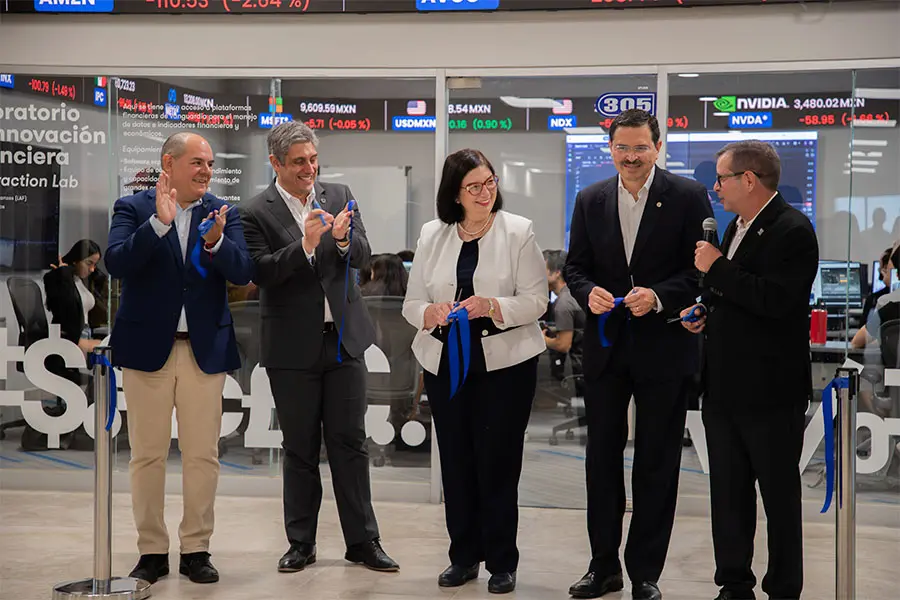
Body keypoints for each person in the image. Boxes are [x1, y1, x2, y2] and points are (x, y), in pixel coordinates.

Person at [563, 109, 714, 600]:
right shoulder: (590, 198)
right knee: (601, 460)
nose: (631, 157)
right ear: (610, 149)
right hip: (606, 348)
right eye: (622, 148)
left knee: (657, 462)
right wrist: (587, 292)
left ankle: (645, 572)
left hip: (665, 347)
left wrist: (660, 296)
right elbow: (575, 267)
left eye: (640, 148)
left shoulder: (688, 196)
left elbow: (701, 271)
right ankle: (602, 566)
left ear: (657, 148)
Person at [238, 121, 399, 575]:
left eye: (313, 159)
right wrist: (306, 245)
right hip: (291, 350)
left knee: (351, 444)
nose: (309, 169)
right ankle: (301, 543)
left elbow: (364, 255)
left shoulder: (338, 194)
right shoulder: (254, 212)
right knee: (300, 449)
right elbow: (261, 273)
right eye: (298, 162)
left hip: (343, 343)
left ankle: (363, 541)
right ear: (276, 163)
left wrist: (344, 240)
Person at [105, 132, 254, 585]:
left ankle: (196, 549)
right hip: (147, 351)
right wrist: (158, 225)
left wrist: (216, 243)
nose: (206, 171)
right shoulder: (133, 209)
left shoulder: (223, 213)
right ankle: (151, 550)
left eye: (209, 164)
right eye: (197, 162)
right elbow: (116, 263)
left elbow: (243, 271)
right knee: (147, 455)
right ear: (168, 164)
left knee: (202, 455)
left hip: (203, 351)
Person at [402, 148, 548, 595]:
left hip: (505, 364)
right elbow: (412, 303)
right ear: (455, 194)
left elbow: (537, 301)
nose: (485, 193)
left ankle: (502, 561)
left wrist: (491, 305)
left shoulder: (518, 231)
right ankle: (463, 557)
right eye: (474, 187)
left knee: (498, 462)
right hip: (446, 362)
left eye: (490, 183)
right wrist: (429, 313)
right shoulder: (433, 234)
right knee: (457, 460)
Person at [684, 140, 818, 600]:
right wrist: (704, 309)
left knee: (778, 498)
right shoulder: (734, 227)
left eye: (721, 178)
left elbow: (777, 300)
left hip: (770, 392)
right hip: (723, 387)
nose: (715, 187)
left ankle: (783, 587)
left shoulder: (792, 229)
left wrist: (718, 268)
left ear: (748, 179)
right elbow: (731, 295)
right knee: (729, 495)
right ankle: (734, 582)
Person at [43, 239, 107, 355]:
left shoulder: (84, 281)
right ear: (75, 260)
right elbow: (65, 308)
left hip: (87, 333)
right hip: (71, 338)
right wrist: (63, 274)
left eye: (95, 264)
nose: (92, 269)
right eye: (89, 263)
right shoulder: (59, 278)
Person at [543, 249, 585, 395]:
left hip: (580, 372)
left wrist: (542, 339)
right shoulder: (571, 295)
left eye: (543, 270)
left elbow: (563, 345)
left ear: (556, 273)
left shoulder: (563, 304)